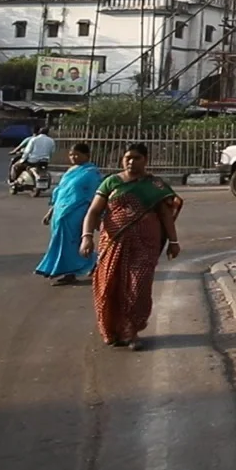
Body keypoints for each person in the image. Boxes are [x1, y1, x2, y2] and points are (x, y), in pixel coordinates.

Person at [79, 144, 182, 350]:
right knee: (110, 285)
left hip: (145, 244)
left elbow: (165, 215)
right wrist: (87, 237)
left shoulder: (155, 186)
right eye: (127, 158)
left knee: (138, 286)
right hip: (113, 242)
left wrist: (173, 241)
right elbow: (93, 211)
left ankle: (132, 331)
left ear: (145, 160)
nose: (131, 162)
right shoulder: (112, 182)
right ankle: (113, 329)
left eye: (136, 158)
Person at [36, 143, 101, 285]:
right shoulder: (71, 171)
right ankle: (92, 262)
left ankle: (71, 272)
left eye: (77, 154)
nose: (73, 157)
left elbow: (94, 195)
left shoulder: (91, 173)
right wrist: (50, 212)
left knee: (71, 242)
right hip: (60, 212)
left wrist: (95, 217)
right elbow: (60, 191)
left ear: (87, 155)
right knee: (60, 241)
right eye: (71, 154)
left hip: (77, 212)